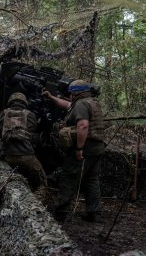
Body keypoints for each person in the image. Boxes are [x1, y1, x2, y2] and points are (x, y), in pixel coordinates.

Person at [43, 79, 106, 223]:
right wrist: (51, 97)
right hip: (97, 148)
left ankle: (61, 213)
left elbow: (83, 126)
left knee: (69, 177)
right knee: (91, 180)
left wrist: (79, 148)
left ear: (77, 93)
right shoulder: (92, 102)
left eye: (71, 93)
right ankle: (94, 213)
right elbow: (68, 105)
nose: (69, 95)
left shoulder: (81, 104)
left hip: (85, 148)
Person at [0, 92, 48, 197]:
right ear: (25, 103)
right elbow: (33, 137)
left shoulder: (3, 113)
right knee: (42, 181)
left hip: (7, 156)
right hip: (27, 157)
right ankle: (37, 200)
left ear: (10, 102)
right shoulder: (31, 115)